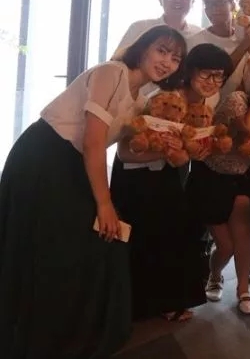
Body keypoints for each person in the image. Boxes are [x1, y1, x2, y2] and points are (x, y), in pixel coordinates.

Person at [0, 25, 186, 358]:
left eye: (175, 58)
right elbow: (93, 142)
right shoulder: (111, 72)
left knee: (100, 242)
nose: (167, 62)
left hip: (72, 164)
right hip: (44, 158)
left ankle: (76, 330)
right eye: (162, 50)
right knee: (58, 242)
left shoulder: (140, 99)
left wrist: (167, 148)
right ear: (142, 47)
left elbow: (125, 154)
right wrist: (104, 203)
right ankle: (41, 331)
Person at [111, 43, 231, 322]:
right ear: (190, 71)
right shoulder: (163, 99)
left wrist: (197, 150)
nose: (212, 82)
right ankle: (138, 305)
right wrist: (170, 152)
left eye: (219, 76)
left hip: (167, 173)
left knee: (170, 235)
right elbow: (126, 150)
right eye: (206, 74)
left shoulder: (206, 103)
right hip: (137, 174)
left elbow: (187, 150)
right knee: (145, 237)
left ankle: (165, 301)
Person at [185, 62, 250, 315]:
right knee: (226, 246)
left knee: (243, 235)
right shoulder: (237, 99)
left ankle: (243, 290)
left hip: (242, 178)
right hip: (212, 176)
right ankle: (215, 274)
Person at [112, 0, 201, 59]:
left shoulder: (199, 35)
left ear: (192, 1)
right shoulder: (140, 28)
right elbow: (116, 62)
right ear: (160, 0)